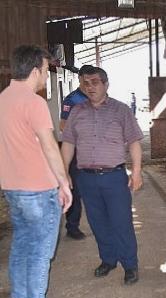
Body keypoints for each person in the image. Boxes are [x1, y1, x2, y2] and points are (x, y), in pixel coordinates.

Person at [0, 45, 73, 298]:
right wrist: (63, 183)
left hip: (12, 188)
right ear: (33, 71)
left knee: (22, 244)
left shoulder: (3, 99)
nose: (45, 77)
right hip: (38, 189)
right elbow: (49, 147)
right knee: (41, 250)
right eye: (44, 71)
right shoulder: (34, 103)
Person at [61, 66, 144, 285]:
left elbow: (134, 142)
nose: (90, 87)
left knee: (121, 222)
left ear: (106, 84)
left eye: (95, 82)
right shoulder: (77, 112)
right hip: (86, 177)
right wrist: (64, 172)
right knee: (97, 222)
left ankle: (130, 265)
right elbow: (68, 143)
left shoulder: (121, 110)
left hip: (114, 177)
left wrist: (136, 172)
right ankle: (108, 260)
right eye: (85, 83)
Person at [58, 64, 94, 240]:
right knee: (76, 190)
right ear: (79, 79)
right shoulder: (72, 99)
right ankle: (72, 227)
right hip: (77, 151)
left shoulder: (98, 96)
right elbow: (63, 125)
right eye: (85, 80)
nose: (89, 84)